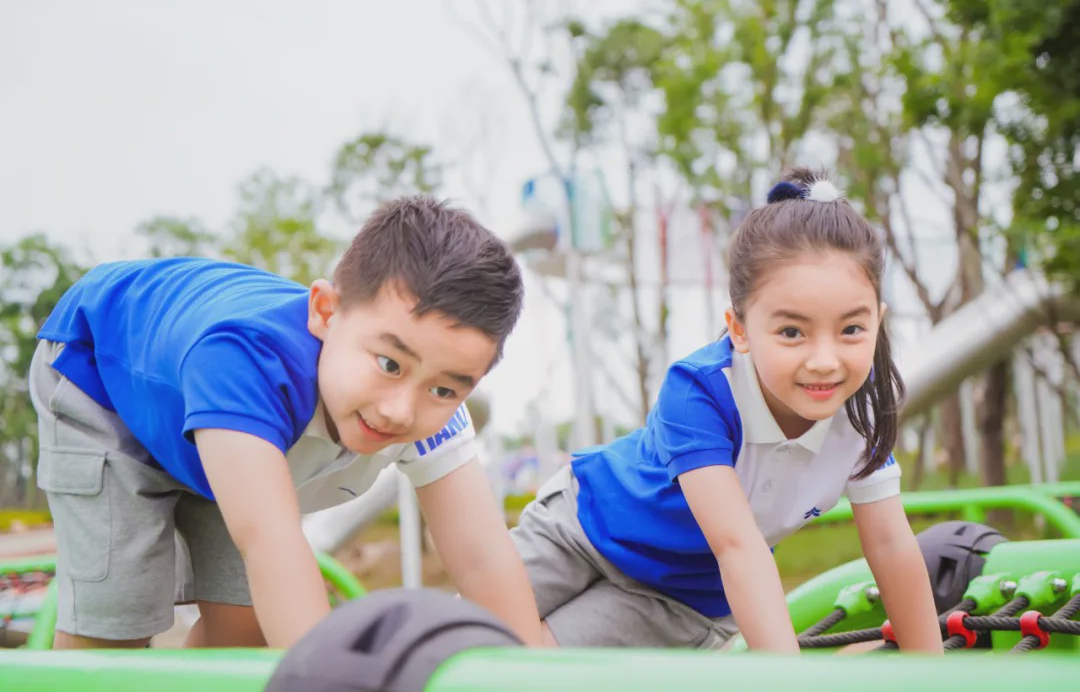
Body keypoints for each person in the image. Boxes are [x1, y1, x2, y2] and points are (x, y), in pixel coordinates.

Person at [30, 195, 545, 650]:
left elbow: (483, 559)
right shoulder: (245, 365)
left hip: (223, 418)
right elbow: (269, 540)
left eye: (444, 388)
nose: (400, 410)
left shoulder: (434, 409)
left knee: (246, 621)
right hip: (100, 369)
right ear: (324, 312)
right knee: (116, 618)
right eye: (389, 364)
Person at [511, 168, 944, 653]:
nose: (824, 360)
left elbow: (889, 545)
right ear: (739, 328)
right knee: (469, 635)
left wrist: (931, 672)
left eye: (851, 330)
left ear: (878, 321)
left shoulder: (861, 414)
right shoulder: (702, 389)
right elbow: (737, 543)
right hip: (581, 529)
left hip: (680, 598)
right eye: (792, 332)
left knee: (535, 663)